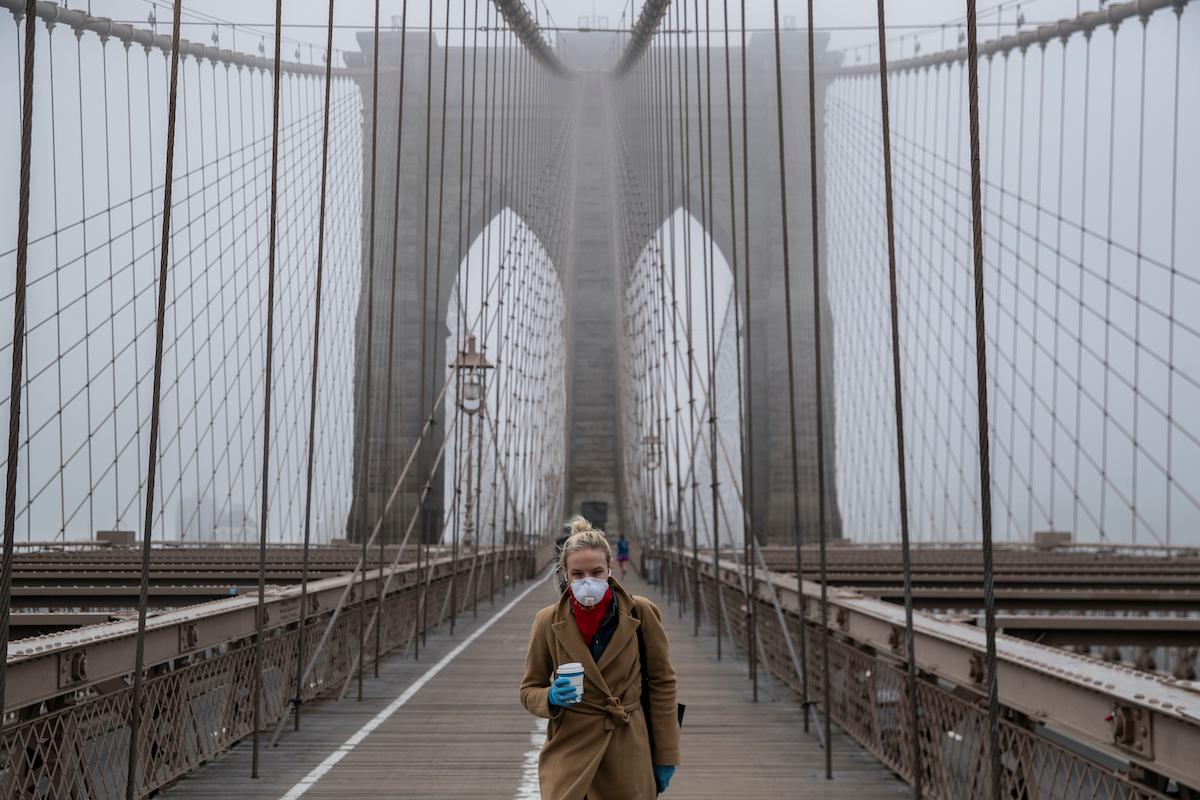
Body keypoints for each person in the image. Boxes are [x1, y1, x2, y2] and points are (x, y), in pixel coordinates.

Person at [520, 517, 680, 799]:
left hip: (626, 749)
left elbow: (662, 683)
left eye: (596, 572)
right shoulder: (546, 621)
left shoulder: (640, 613)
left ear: (609, 569)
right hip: (569, 751)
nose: (587, 582)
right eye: (578, 575)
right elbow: (528, 690)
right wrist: (551, 698)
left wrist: (666, 755)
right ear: (565, 574)